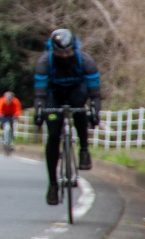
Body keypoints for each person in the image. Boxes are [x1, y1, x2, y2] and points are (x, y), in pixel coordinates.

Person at [33, 29, 102, 205]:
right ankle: (53, 184)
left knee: (79, 108)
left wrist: (95, 111)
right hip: (53, 94)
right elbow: (40, 94)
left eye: (68, 52)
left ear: (74, 48)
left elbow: (95, 93)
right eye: (60, 52)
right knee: (53, 134)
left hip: (76, 90)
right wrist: (39, 111)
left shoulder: (86, 61)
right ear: (53, 50)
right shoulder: (44, 62)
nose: (64, 56)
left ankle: (84, 149)